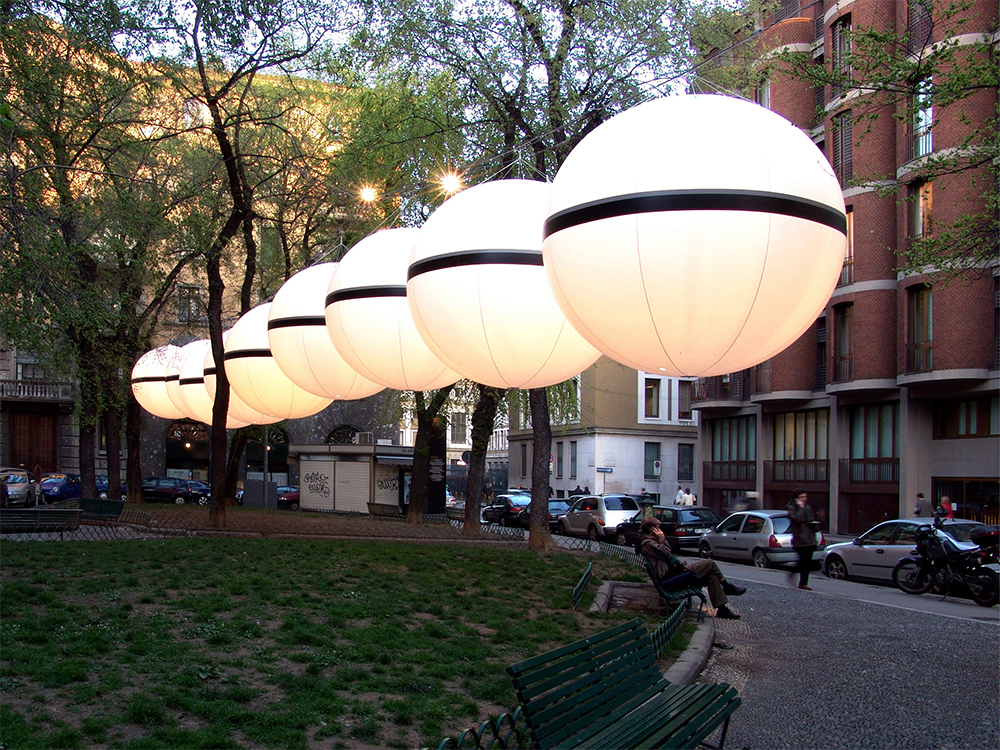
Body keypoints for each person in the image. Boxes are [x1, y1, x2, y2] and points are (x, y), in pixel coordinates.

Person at [637, 517, 745, 620]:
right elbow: (667, 553)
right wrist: (662, 539)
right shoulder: (648, 544)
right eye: (659, 528)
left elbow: (666, 553)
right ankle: (727, 586)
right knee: (709, 563)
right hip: (669, 579)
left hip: (673, 574)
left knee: (712, 577)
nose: (661, 531)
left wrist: (661, 541)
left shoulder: (651, 542)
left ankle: (722, 609)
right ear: (653, 530)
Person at [786, 489, 819, 590]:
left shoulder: (807, 508)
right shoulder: (792, 508)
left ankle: (803, 583)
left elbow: (809, 520)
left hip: (810, 538)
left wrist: (816, 526)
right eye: (801, 497)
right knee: (803, 560)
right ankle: (792, 573)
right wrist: (800, 508)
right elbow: (797, 519)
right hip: (800, 539)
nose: (804, 499)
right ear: (796, 498)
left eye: (805, 497)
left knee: (808, 562)